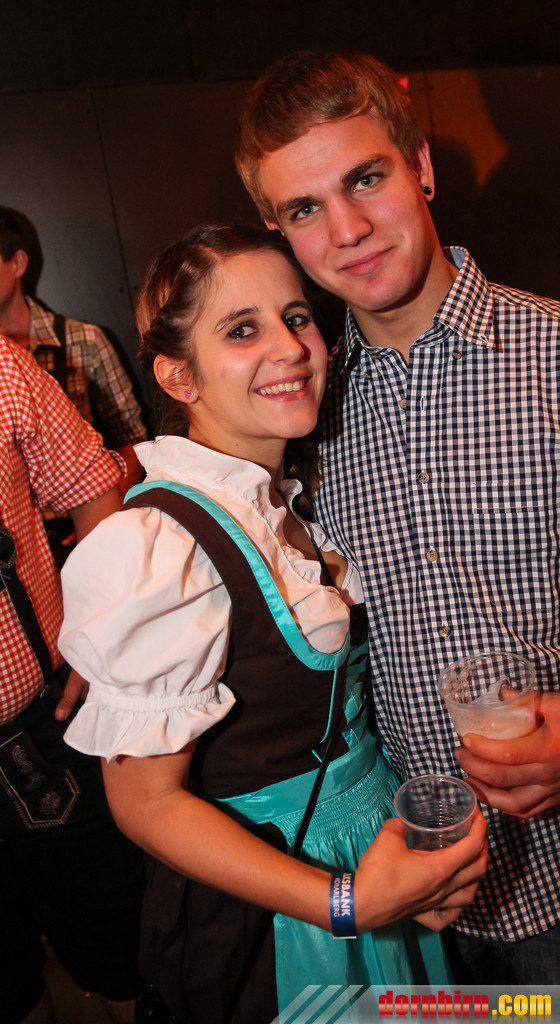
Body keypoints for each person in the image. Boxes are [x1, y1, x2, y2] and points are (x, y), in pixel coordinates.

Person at [234, 50, 560, 985]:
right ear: (276, 230)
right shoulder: (295, 409)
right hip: (391, 877)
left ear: (421, 166)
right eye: (304, 209)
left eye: (366, 179)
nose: (347, 230)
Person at [57, 223, 488, 1024]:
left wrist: (398, 872)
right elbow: (145, 806)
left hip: (368, 851)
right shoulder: (160, 549)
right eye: (240, 330)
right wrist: (343, 901)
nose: (290, 347)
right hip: (283, 906)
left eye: (295, 317)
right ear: (177, 375)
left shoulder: (282, 504)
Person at [0, 336, 144, 1023]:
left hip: (42, 727)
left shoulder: (2, 366)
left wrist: (95, 630)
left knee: (117, 943)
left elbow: (92, 486)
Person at [0, 206, 148, 495]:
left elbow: (132, 441)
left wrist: (106, 512)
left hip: (83, 514)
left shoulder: (83, 340)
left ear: (18, 263)